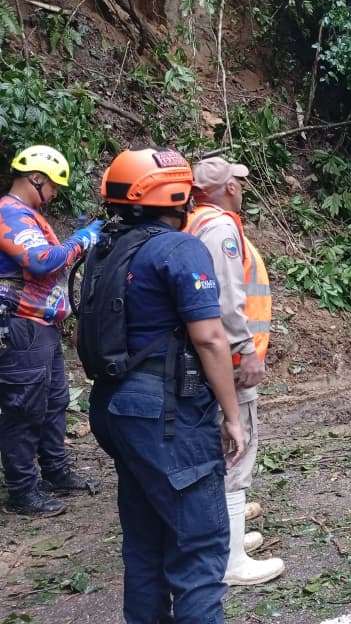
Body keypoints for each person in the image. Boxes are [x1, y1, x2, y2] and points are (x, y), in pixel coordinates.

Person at [78, 148, 245, 624]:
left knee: (146, 544)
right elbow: (210, 338)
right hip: (165, 414)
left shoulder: (105, 250)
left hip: (114, 405)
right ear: (175, 194)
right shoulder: (178, 248)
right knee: (198, 546)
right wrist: (232, 416)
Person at [186, 156, 284, 586]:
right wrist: (246, 353)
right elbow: (227, 304)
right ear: (226, 188)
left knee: (220, 450)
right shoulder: (222, 229)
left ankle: (225, 540)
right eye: (237, 182)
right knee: (235, 451)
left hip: (212, 361)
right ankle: (230, 561)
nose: (242, 188)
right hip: (230, 362)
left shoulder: (192, 223)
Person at [0, 145, 103, 517]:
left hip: (41, 326)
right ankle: (23, 492)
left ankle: (56, 472)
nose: (56, 193)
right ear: (36, 179)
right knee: (24, 410)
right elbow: (41, 261)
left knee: (54, 402)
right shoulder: (9, 214)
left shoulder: (29, 215)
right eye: (54, 185)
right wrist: (82, 239)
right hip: (20, 326)